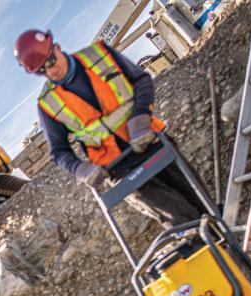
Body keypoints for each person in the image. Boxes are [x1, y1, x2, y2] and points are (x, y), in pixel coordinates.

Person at [14, 29, 204, 229]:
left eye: (50, 61)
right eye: (41, 71)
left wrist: (140, 118)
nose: (50, 71)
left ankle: (230, 249)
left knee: (199, 199)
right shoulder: (47, 104)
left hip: (152, 143)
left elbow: (141, 80)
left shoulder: (100, 54)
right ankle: (207, 251)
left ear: (57, 48)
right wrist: (80, 168)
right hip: (119, 169)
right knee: (181, 217)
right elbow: (59, 151)